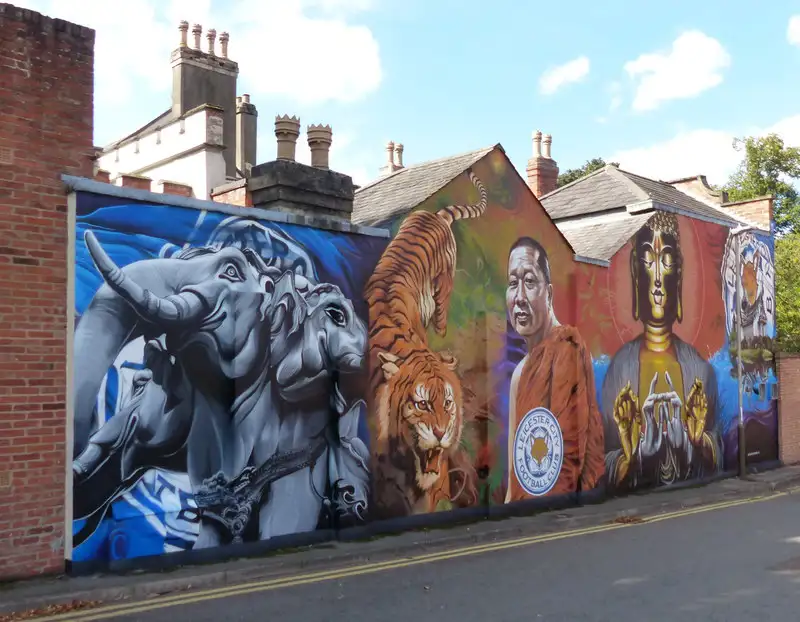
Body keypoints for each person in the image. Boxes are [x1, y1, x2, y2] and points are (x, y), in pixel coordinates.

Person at [601, 211, 722, 491]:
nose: (657, 279)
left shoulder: (700, 370)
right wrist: (628, 458)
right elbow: (600, 461)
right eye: (647, 261)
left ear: (678, 277)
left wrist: (699, 441)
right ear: (636, 275)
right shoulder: (620, 369)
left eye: (667, 263)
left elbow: (720, 445)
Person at [505, 237, 605, 502]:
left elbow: (569, 458)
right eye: (513, 283)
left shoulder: (567, 350)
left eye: (529, 282)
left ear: (549, 293)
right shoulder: (520, 374)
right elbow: (515, 472)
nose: (519, 297)